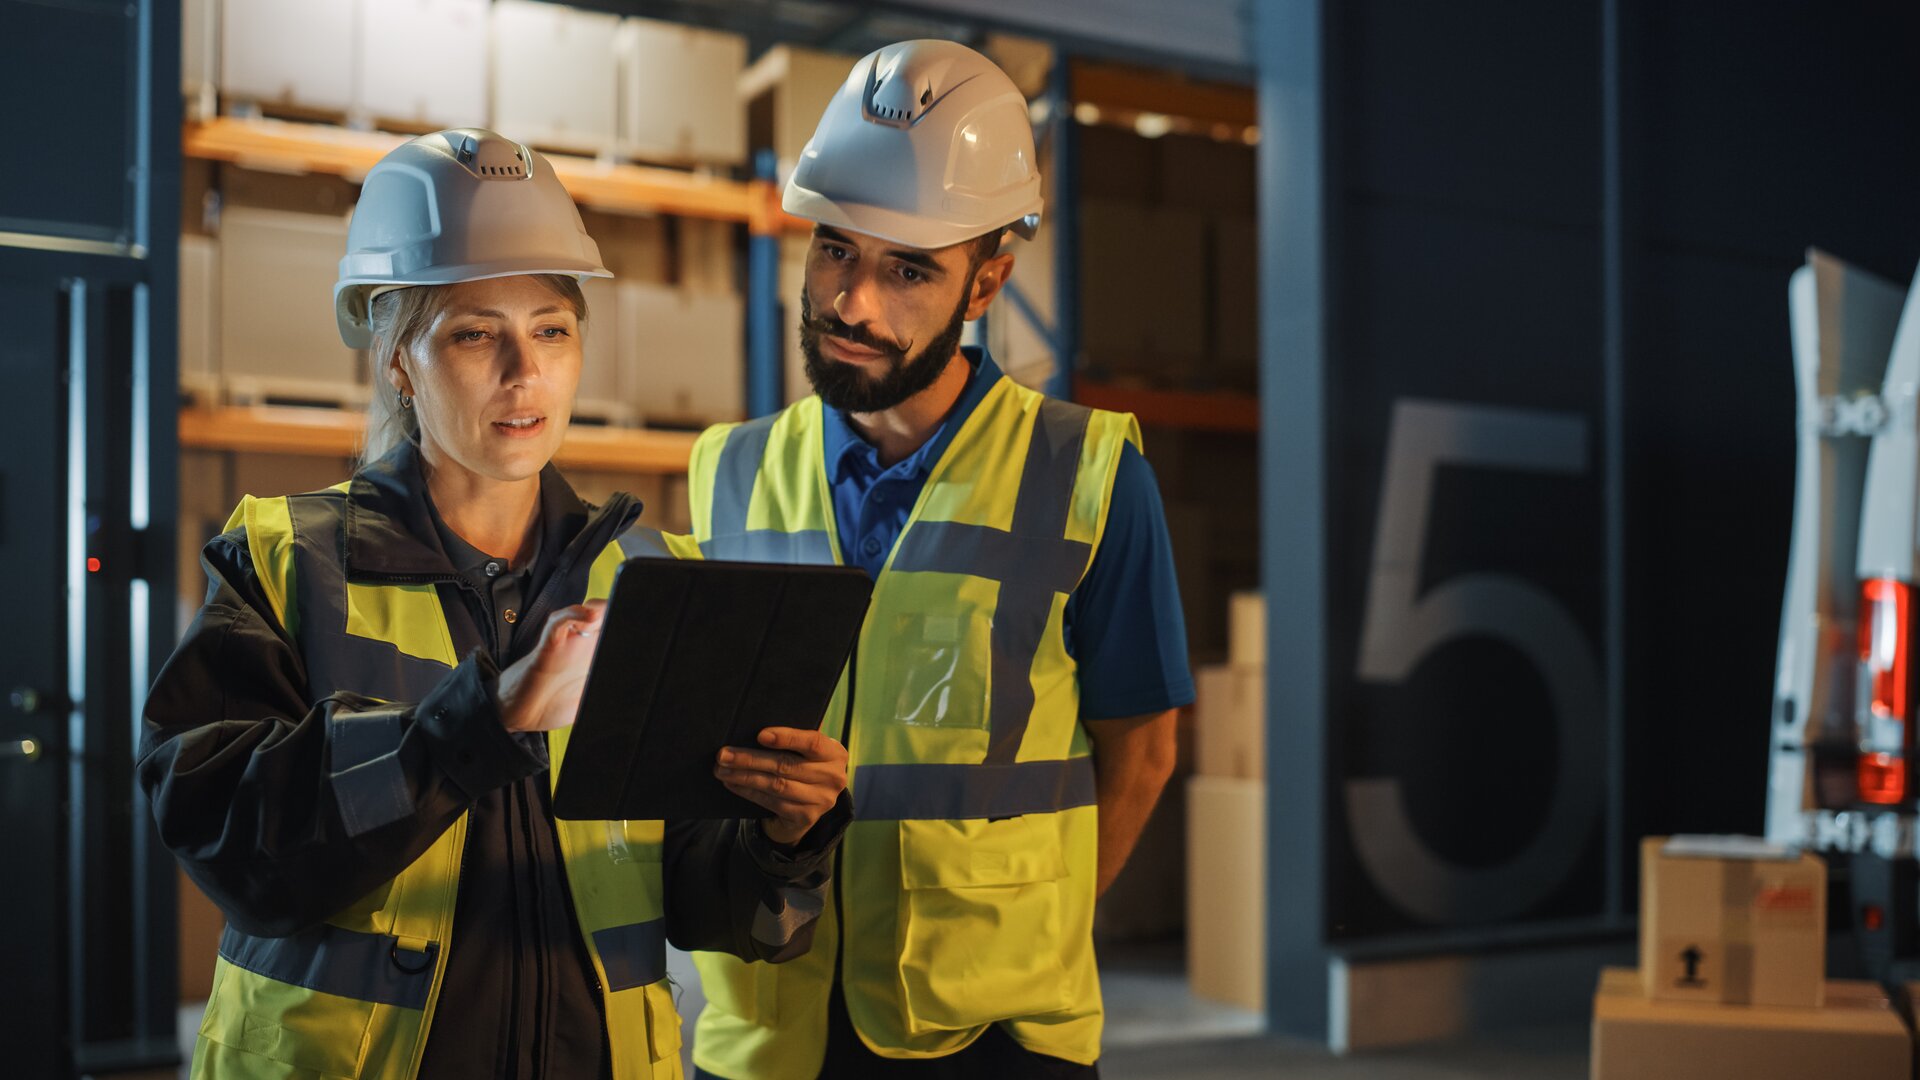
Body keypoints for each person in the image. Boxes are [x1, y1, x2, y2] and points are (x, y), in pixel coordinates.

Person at [138, 128, 851, 1080]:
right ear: (397, 358)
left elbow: (711, 905)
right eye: (476, 333)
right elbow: (223, 836)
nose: (525, 373)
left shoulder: (645, 580)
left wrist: (784, 842)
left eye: (551, 329)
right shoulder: (288, 562)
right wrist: (475, 724)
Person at [686, 40, 1192, 1080]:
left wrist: (1027, 933)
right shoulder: (727, 472)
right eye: (836, 251)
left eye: (907, 270)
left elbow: (1141, 753)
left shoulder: (1088, 475)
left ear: (987, 281)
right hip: (766, 1027)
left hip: (990, 1038)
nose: (853, 304)